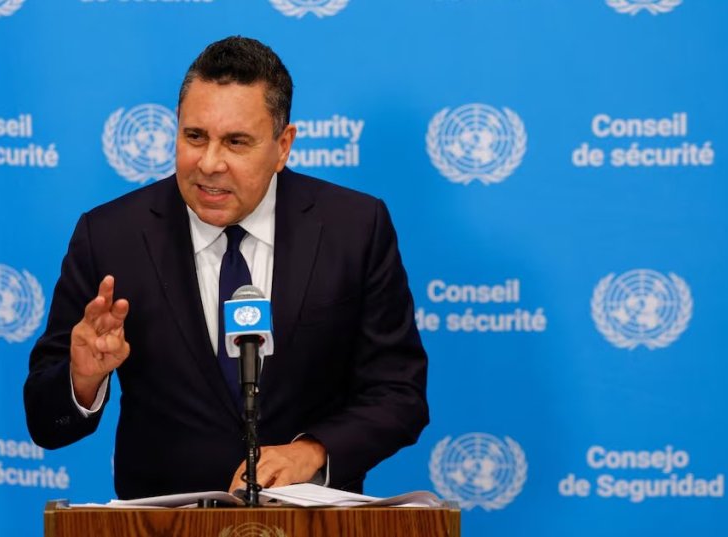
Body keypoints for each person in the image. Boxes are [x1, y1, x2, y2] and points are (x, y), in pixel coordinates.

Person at [24, 36, 429, 500]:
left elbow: (400, 393)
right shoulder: (111, 236)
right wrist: (83, 379)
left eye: (237, 142)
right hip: (162, 530)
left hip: (308, 525)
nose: (210, 163)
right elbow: (46, 422)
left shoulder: (353, 228)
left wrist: (313, 452)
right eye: (194, 137)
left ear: (283, 146)